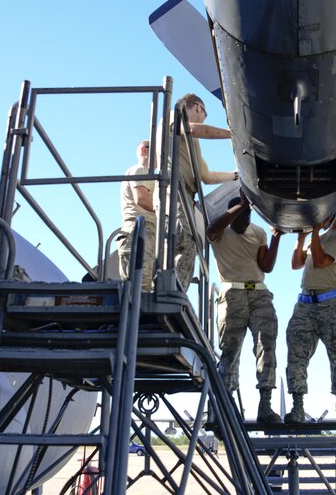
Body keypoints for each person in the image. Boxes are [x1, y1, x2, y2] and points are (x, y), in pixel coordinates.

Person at [207, 191, 283, 424]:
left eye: (248, 215)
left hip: (259, 292)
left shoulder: (258, 232)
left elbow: (266, 266)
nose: (245, 220)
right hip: (232, 293)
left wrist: (276, 238)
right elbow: (211, 230)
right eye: (240, 215)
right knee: (230, 351)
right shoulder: (221, 232)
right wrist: (240, 205)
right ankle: (226, 407)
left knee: (266, 346)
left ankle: (265, 406)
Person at [284, 203, 336, 424]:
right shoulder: (321, 237)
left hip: (331, 304)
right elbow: (296, 263)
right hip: (305, 304)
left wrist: (316, 230)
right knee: (296, 356)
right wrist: (302, 238)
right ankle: (297, 408)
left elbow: (320, 262)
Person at [170, 93, 238, 291]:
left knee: (185, 243)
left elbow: (206, 176)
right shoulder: (176, 120)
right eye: (205, 114)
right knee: (186, 244)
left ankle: (175, 289)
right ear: (198, 107)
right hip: (176, 193)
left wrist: (236, 176)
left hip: (185, 195)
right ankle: (174, 292)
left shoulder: (190, 143)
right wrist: (233, 134)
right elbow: (194, 129)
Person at [117, 140, 157, 292]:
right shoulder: (140, 170)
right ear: (143, 150)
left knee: (144, 288)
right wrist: (169, 212)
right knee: (138, 288)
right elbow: (142, 199)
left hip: (147, 232)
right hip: (139, 231)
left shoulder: (148, 175)